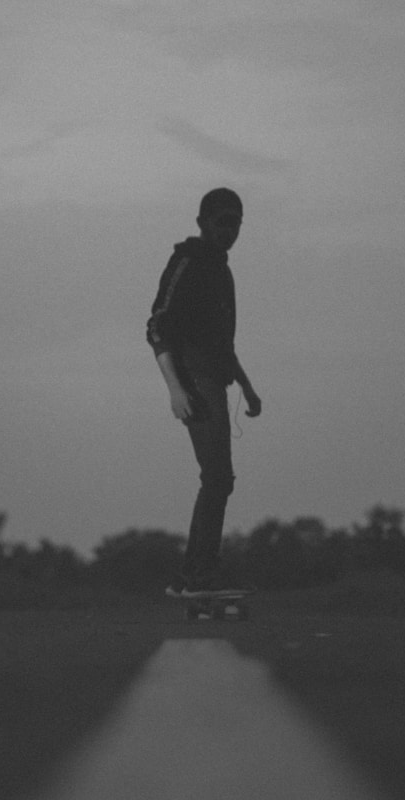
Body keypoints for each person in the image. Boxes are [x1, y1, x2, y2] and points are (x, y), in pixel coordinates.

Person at [145, 187, 262, 597]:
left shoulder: (220, 270)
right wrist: (176, 389)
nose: (229, 230)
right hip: (193, 378)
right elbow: (157, 327)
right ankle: (197, 575)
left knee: (218, 479)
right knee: (217, 477)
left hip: (214, 376)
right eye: (222, 221)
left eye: (236, 223)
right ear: (202, 222)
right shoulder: (188, 262)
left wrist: (246, 387)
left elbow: (221, 344)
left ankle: (189, 575)